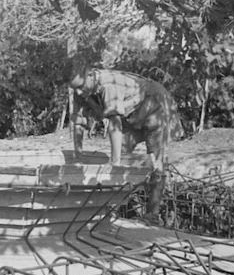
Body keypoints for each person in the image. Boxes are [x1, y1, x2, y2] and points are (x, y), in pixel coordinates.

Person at [69, 60, 184, 223]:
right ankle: (113, 211)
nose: (80, 92)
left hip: (156, 104)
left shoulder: (108, 84)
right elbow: (79, 123)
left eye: (82, 87)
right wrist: (77, 157)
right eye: (76, 88)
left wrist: (114, 162)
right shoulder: (79, 89)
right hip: (132, 114)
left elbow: (114, 124)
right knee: (122, 153)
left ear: (90, 76)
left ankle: (153, 214)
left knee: (155, 161)